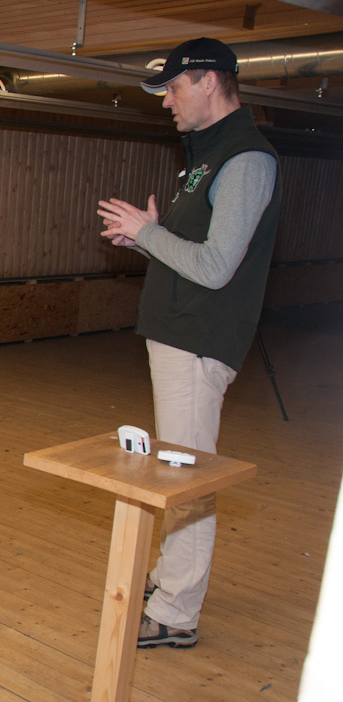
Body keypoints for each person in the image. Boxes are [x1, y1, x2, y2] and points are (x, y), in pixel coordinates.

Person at [97, 37, 280, 648]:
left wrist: (150, 234)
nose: (168, 102)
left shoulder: (246, 159)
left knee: (188, 476)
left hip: (201, 340)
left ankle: (176, 612)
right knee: (177, 469)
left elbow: (217, 266)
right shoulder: (207, 156)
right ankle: (171, 580)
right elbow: (193, 248)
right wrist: (151, 234)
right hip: (179, 335)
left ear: (208, 81)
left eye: (173, 88)